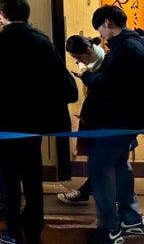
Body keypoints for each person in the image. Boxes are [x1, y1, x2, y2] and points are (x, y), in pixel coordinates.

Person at [0, 0, 78, 244]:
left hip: (5, 122)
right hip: (35, 122)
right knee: (32, 176)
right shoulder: (42, 41)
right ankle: (33, 227)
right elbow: (63, 83)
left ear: (4, 13)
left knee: (7, 178)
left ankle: (12, 230)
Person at [81, 5, 144, 244]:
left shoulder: (127, 48)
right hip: (128, 119)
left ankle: (109, 229)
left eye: (100, 29)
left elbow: (111, 84)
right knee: (120, 167)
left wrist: (86, 75)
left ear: (108, 22)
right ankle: (131, 221)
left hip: (116, 119)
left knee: (99, 169)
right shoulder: (137, 43)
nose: (101, 35)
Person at [57, 34, 106, 206]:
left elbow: (102, 87)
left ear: (88, 51)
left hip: (106, 120)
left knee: (106, 161)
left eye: (78, 57)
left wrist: (85, 75)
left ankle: (89, 193)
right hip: (95, 118)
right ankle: (88, 192)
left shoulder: (105, 63)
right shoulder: (94, 63)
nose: (79, 62)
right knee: (102, 161)